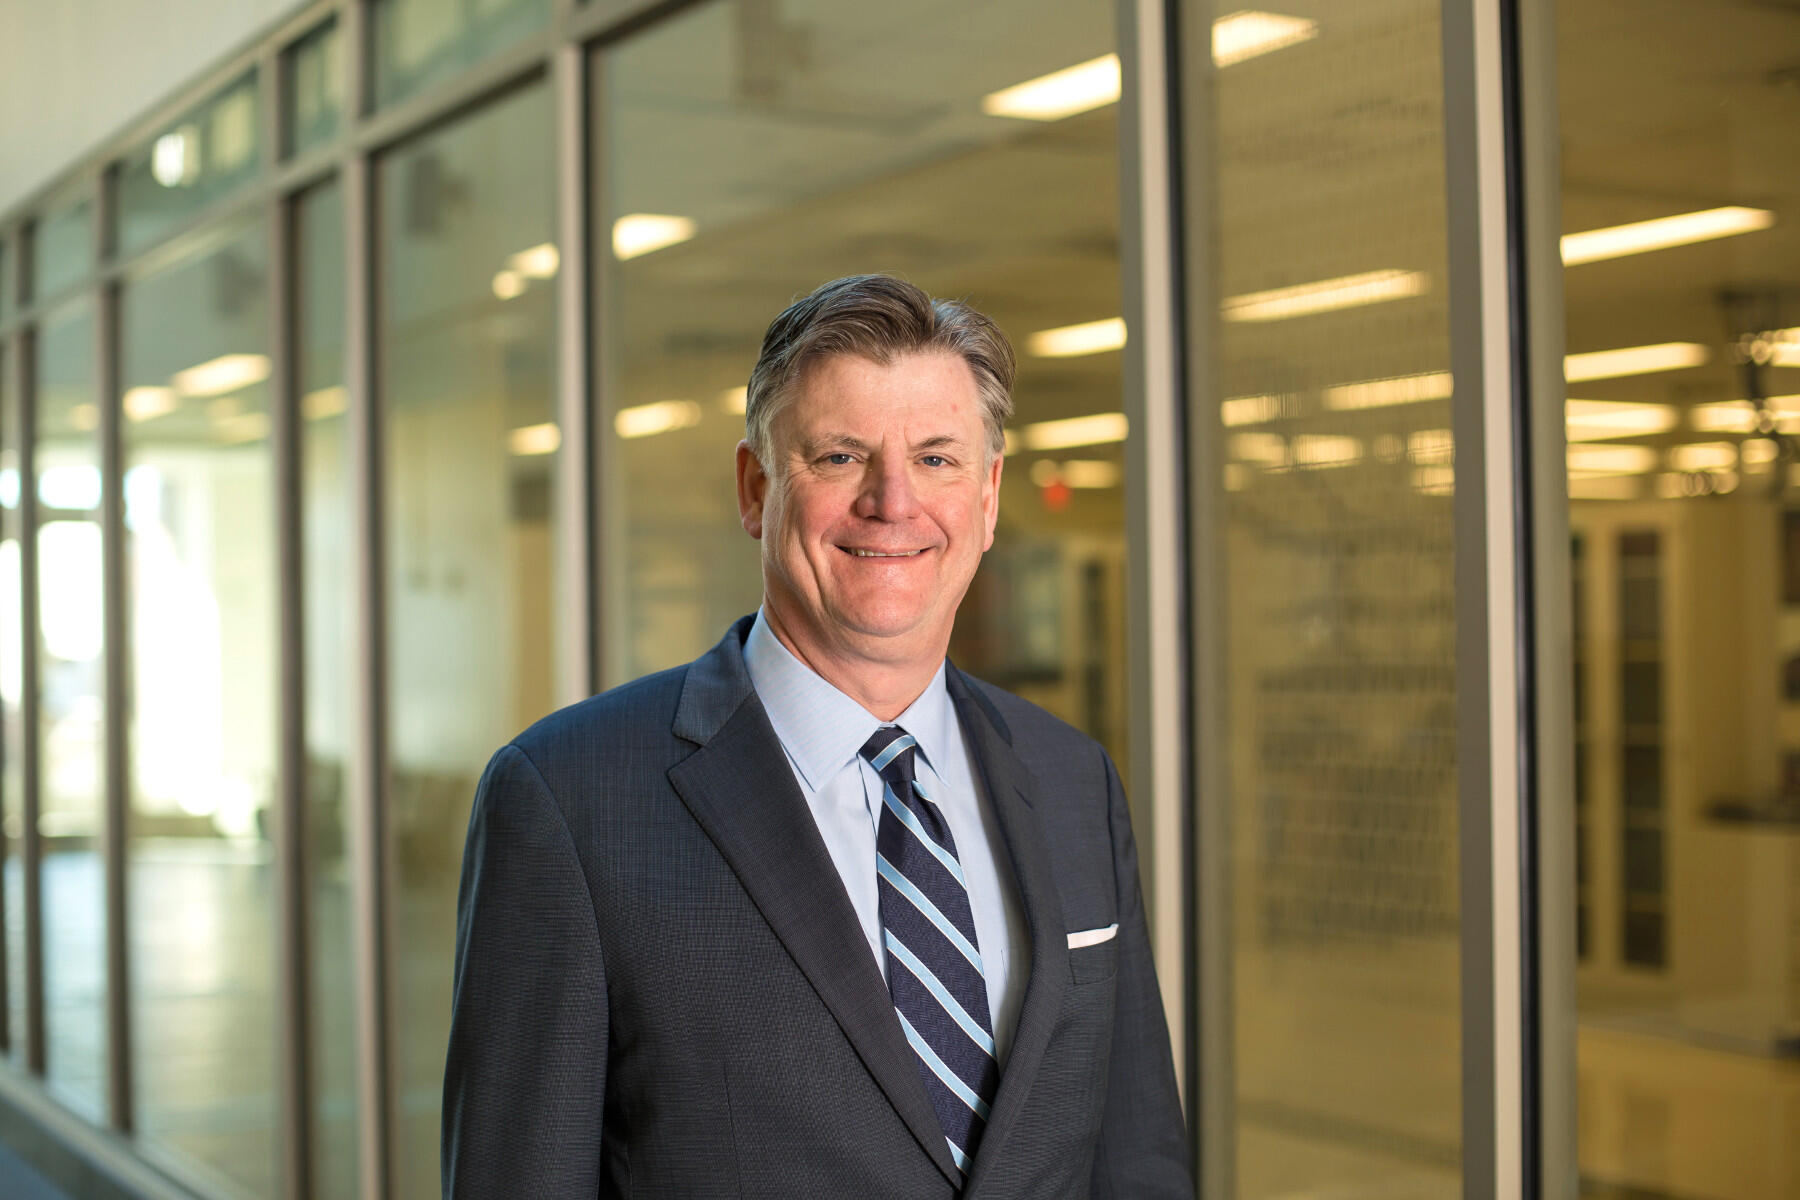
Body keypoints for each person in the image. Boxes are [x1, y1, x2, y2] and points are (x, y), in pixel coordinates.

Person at [442, 275, 1191, 1198]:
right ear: (757, 489)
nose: (894, 501)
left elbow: (1138, 1158)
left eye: (938, 459)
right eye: (839, 456)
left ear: (989, 497)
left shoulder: (1072, 777)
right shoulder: (569, 800)